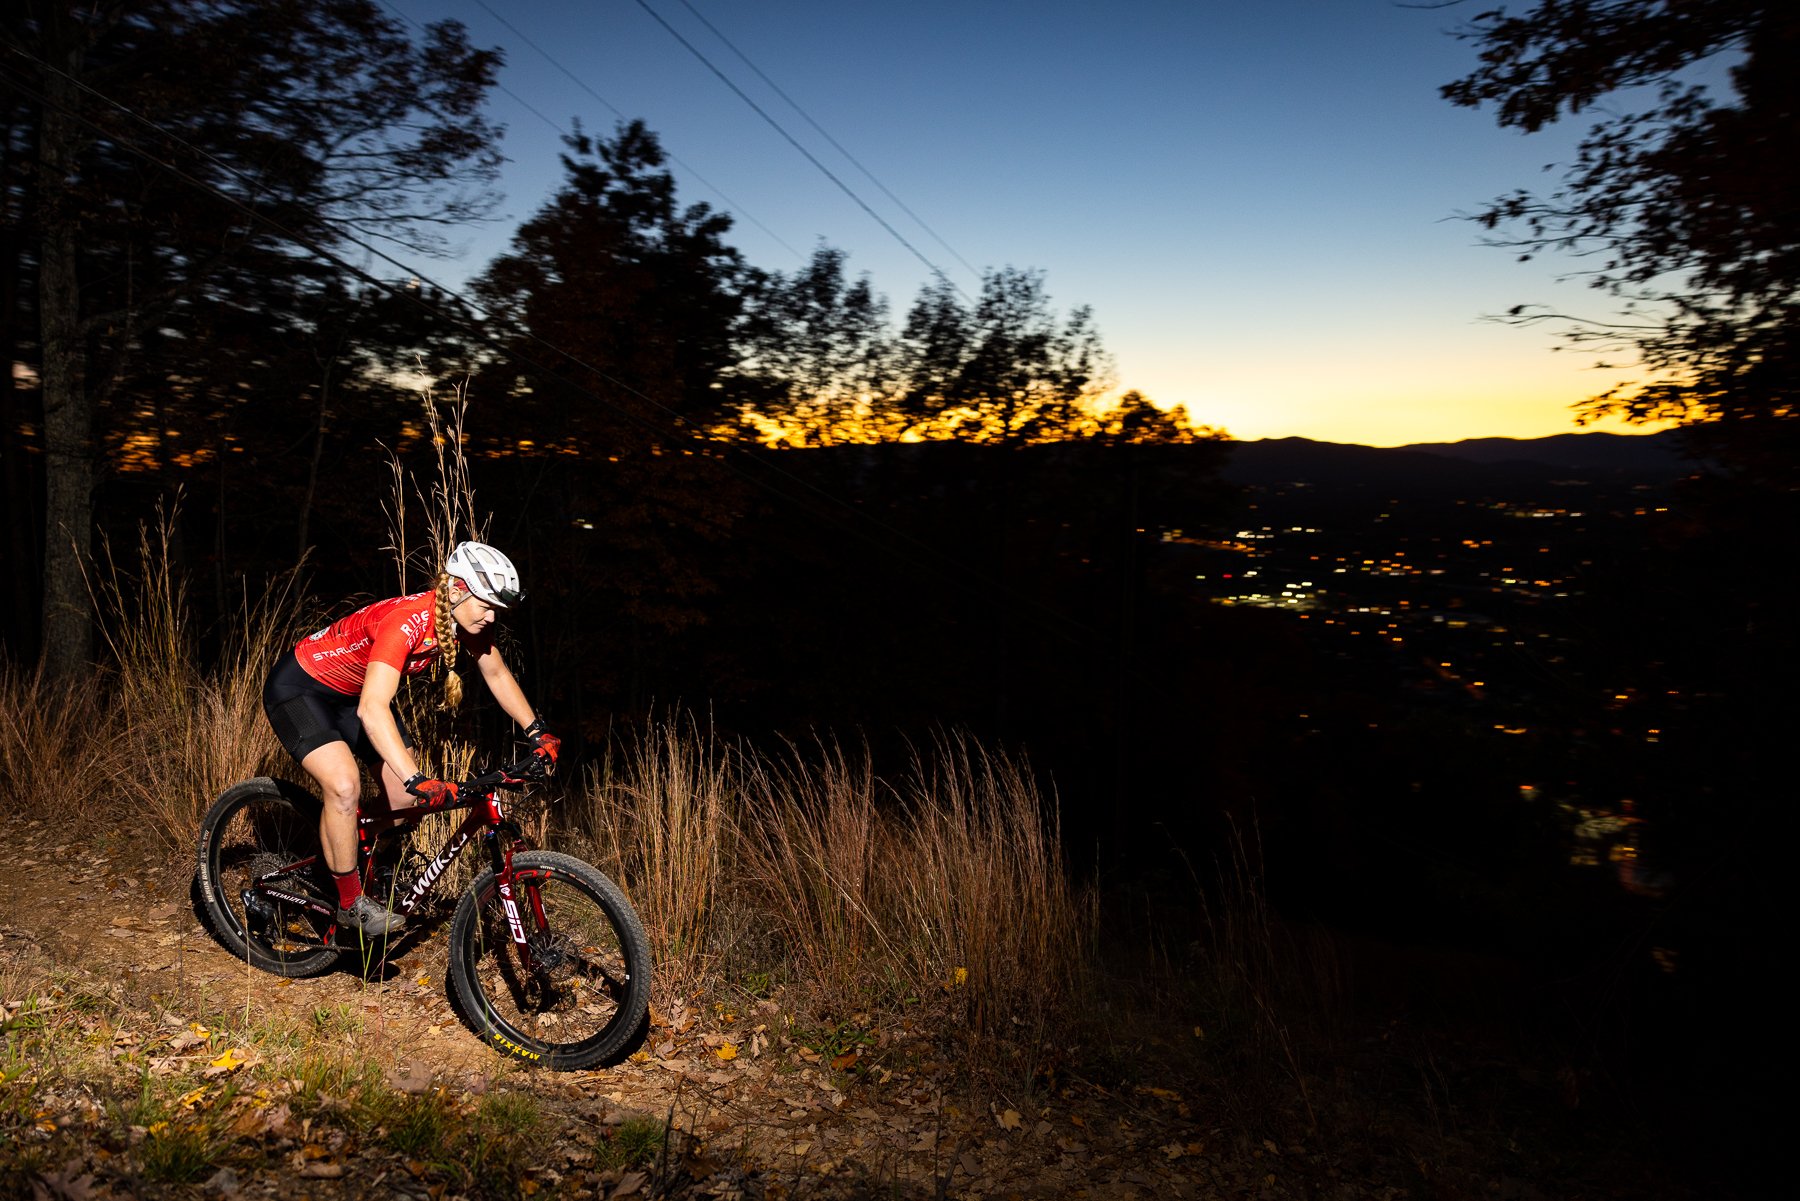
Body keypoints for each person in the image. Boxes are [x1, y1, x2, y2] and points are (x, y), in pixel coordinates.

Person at [260, 541, 560, 937]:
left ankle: (356, 850)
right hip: (301, 689)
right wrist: (416, 777)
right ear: (456, 589)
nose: (491, 617)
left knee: (404, 803)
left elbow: (497, 675)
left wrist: (536, 730)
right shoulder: (406, 621)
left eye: (497, 610)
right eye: (486, 605)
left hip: (353, 696)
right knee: (345, 786)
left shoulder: (461, 622)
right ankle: (351, 903)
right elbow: (373, 709)